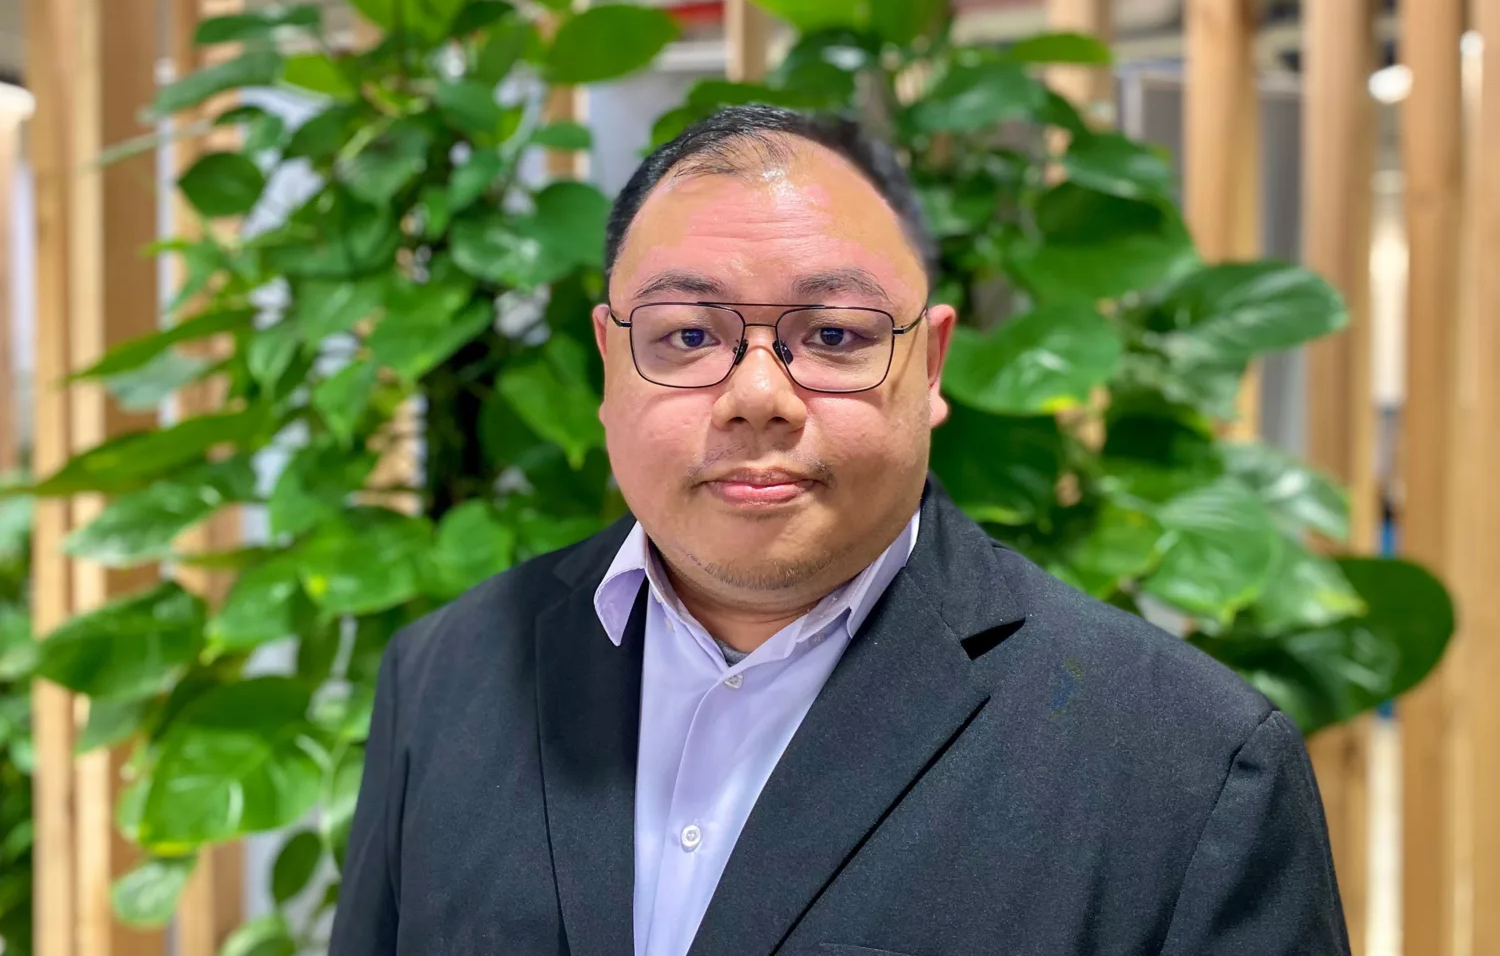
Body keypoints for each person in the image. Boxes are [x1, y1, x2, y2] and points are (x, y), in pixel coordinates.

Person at [330, 104, 1350, 956]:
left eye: (833, 337)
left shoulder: (1189, 765)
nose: (757, 397)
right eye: (687, 335)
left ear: (932, 365)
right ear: (609, 362)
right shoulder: (447, 674)